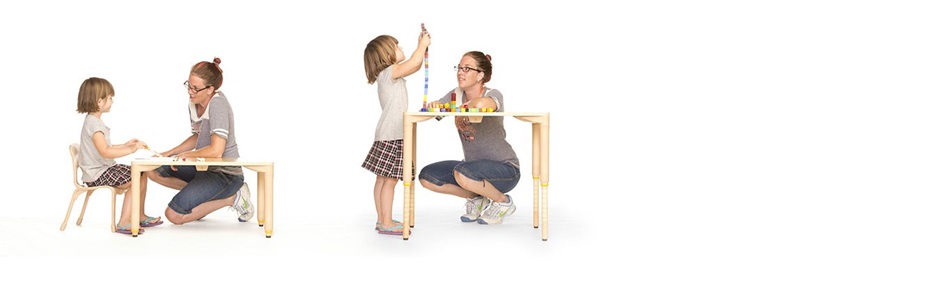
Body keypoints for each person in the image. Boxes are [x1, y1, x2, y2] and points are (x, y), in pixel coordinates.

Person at [145, 57, 254, 225]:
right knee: (154, 169)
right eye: (189, 86)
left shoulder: (218, 104)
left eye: (195, 88)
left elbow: (217, 150)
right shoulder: (193, 103)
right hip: (203, 168)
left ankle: (233, 197)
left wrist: (187, 155)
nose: (190, 92)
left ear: (210, 89)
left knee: (174, 216)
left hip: (225, 174)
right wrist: (169, 153)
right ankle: (200, 199)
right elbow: (198, 136)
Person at [419, 51, 520, 225]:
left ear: (480, 75)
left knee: (462, 172)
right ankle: (478, 198)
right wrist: (435, 105)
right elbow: (437, 108)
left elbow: (483, 104)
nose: (460, 72)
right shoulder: (456, 94)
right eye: (459, 68)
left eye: (467, 68)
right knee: (427, 177)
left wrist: (464, 105)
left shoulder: (493, 93)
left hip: (505, 170)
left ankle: (503, 201)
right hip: (471, 170)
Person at [362, 28, 431, 235]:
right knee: (389, 180)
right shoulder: (389, 72)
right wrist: (422, 45)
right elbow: (413, 62)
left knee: (382, 179)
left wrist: (422, 46)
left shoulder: (388, 75)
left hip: (386, 134)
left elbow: (414, 65)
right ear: (387, 54)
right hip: (393, 134)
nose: (401, 48)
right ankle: (386, 222)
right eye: (397, 46)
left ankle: (383, 219)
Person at [76, 77, 163, 234]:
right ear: (99, 101)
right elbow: (105, 152)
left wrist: (126, 145)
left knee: (140, 173)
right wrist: (131, 150)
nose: (112, 101)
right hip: (98, 174)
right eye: (110, 98)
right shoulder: (94, 124)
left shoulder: (94, 121)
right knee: (135, 177)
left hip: (102, 170)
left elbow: (105, 147)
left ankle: (139, 215)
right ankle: (124, 221)